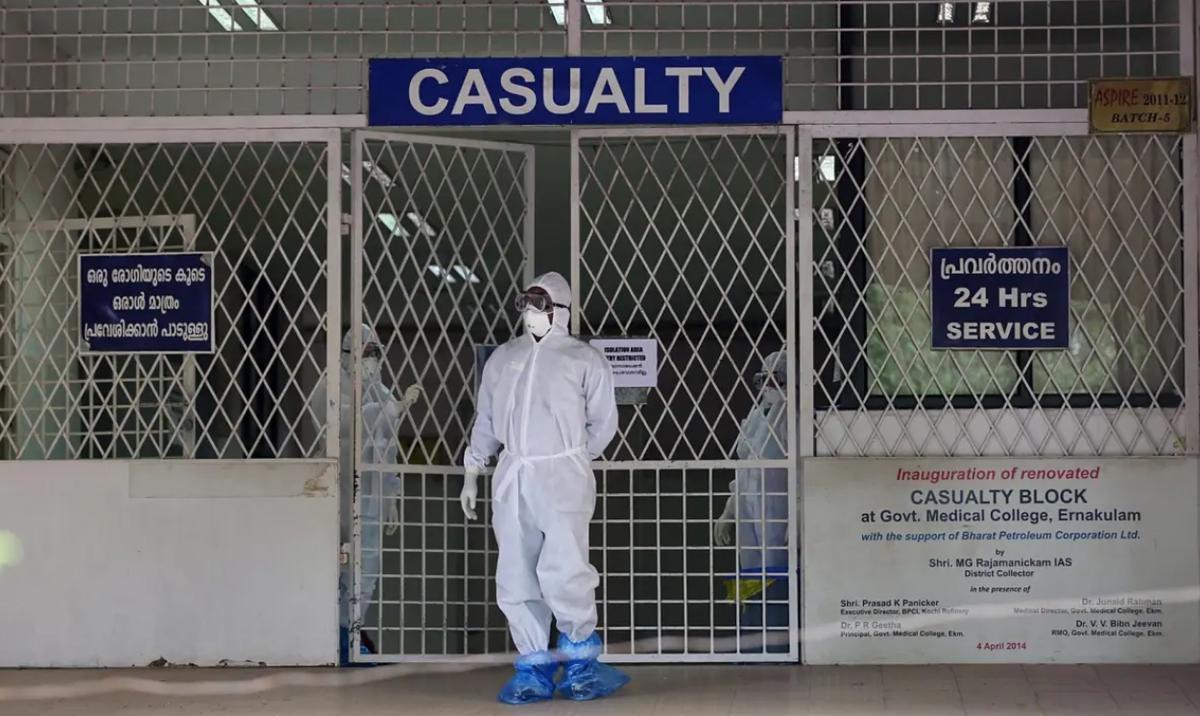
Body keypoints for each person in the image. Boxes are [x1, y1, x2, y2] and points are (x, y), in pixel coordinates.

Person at [461, 271, 629, 704]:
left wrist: (571, 459)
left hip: (563, 475)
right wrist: (473, 470)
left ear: (561, 309)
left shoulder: (583, 359)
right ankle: (534, 666)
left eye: (541, 303)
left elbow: (604, 423)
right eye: (527, 303)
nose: (532, 312)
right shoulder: (503, 358)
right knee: (515, 571)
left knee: (566, 567)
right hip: (514, 475)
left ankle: (580, 663)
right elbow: (487, 420)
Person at [311, 325, 420, 664]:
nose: (370, 360)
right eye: (364, 353)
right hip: (341, 497)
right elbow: (339, 426)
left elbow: (389, 452)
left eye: (374, 353)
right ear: (347, 355)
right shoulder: (329, 387)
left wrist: (393, 498)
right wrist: (387, 411)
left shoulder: (380, 390)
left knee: (367, 572)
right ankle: (337, 638)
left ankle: (354, 637)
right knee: (340, 569)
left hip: (372, 500)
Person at [714, 350, 790, 572]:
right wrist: (729, 510)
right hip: (749, 506)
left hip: (779, 507)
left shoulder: (795, 417)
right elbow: (745, 469)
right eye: (762, 379)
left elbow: (804, 473)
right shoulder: (756, 416)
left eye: (776, 379)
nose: (767, 386)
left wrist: (799, 516)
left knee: (780, 571)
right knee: (752, 571)